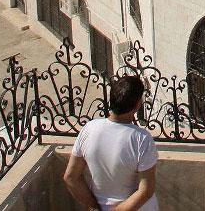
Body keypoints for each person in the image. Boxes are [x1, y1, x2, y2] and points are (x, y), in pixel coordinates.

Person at [64, 75, 158, 211]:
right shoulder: (141, 139)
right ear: (138, 104)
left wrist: (94, 207)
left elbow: (71, 177)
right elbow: (146, 190)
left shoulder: (89, 129)